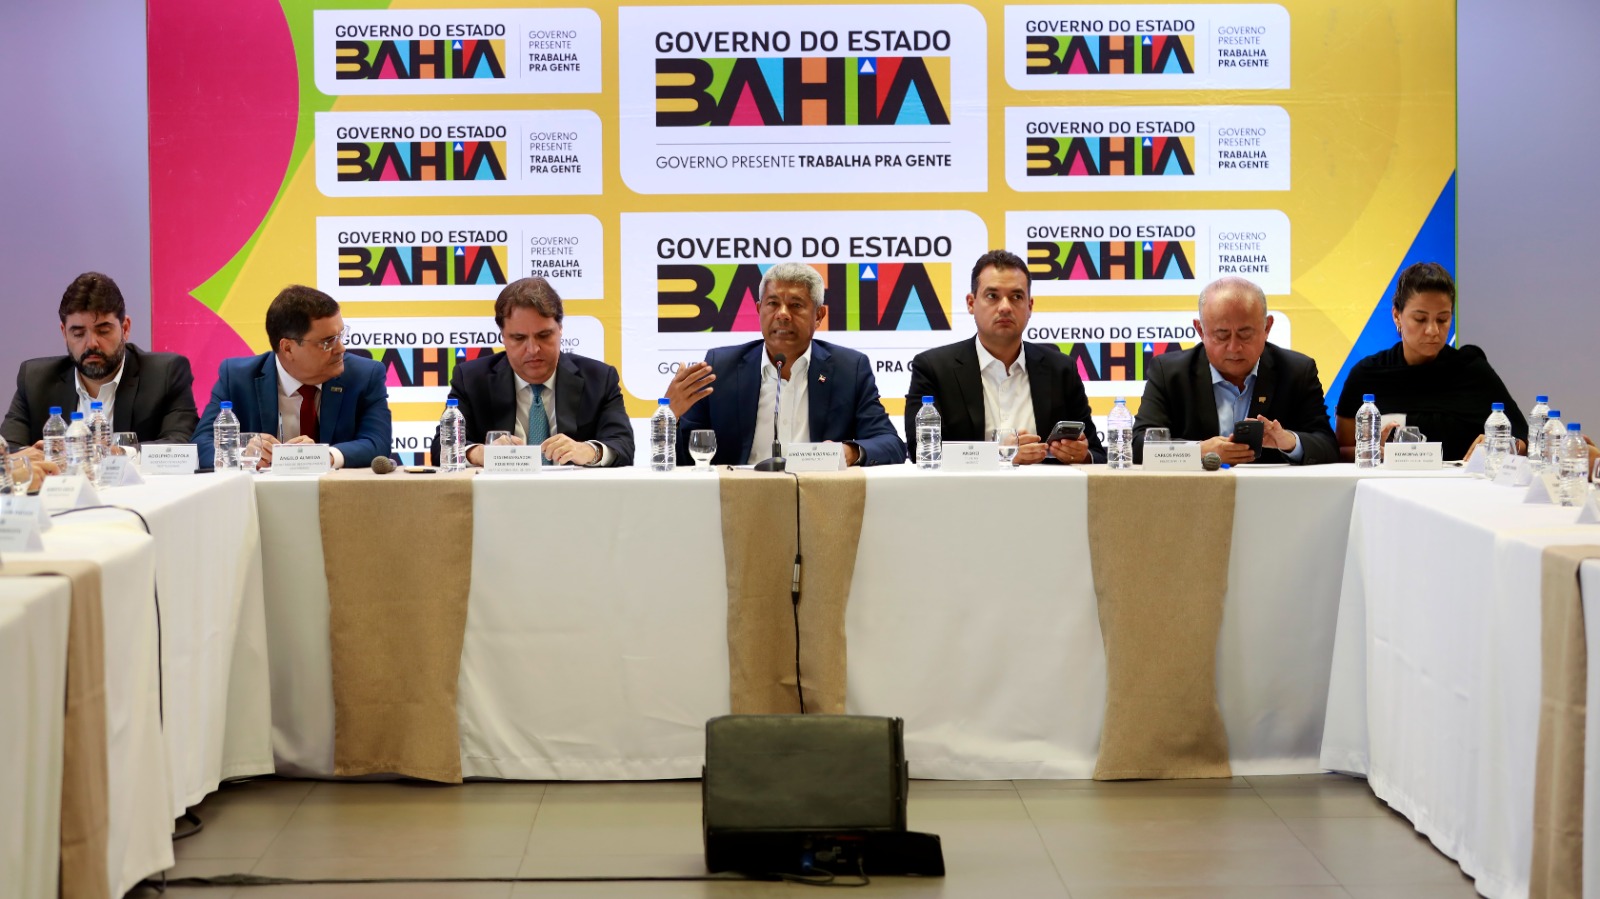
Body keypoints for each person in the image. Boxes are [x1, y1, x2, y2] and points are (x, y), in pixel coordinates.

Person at [666, 261, 905, 466]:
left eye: (796, 305)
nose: (782, 314)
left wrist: (849, 452)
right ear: (759, 310)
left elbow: (890, 443)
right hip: (738, 495)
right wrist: (669, 417)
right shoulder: (719, 368)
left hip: (822, 495)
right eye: (772, 303)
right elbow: (685, 458)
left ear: (818, 316)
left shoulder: (849, 369)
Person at [904, 250, 1104, 464]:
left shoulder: (1061, 369)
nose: (1005, 307)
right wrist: (1001, 455)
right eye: (992, 296)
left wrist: (1081, 455)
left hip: (1046, 486)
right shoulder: (934, 369)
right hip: (966, 487)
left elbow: (1097, 454)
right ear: (971, 303)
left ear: (1030, 306)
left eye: (1016, 297)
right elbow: (922, 452)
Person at [1132, 275, 1337, 465]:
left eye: (1245, 334)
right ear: (1200, 330)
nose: (1234, 347)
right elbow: (1139, 445)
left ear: (1267, 327)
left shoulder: (1297, 371)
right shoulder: (1169, 373)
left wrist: (1290, 442)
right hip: (1195, 491)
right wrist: (1197, 451)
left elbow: (1327, 446)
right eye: (1221, 335)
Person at [432, 277, 633, 467]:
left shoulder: (599, 379)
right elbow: (441, 447)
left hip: (574, 491)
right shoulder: (472, 379)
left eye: (544, 335)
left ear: (560, 329)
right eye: (519, 338)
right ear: (503, 337)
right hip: (499, 492)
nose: (533, 349)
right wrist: (480, 453)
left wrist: (589, 451)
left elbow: (623, 446)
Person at [1335, 262, 1527, 461]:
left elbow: (1524, 440)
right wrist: (1371, 452)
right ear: (1397, 316)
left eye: (1442, 319)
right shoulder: (1366, 374)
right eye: (1420, 319)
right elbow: (1339, 451)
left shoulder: (1471, 370)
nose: (1433, 330)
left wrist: (1502, 445)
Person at [194, 285, 391, 469]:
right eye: (328, 342)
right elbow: (201, 444)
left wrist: (324, 456)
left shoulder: (365, 375)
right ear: (288, 348)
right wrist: (242, 454)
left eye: (340, 336)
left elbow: (377, 443)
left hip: (335, 493)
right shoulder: (238, 378)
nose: (341, 348)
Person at [3, 271, 198, 451]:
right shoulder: (35, 381)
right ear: (64, 333)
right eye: (78, 334)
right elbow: (6, 449)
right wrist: (31, 457)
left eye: (103, 331)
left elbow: (180, 444)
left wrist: (115, 454)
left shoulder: (165, 374)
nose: (91, 343)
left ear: (125, 328)